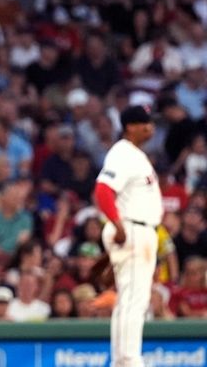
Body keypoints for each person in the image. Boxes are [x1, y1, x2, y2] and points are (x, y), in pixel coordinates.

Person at [94, 105, 163, 367]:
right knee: (133, 300)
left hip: (140, 231)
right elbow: (103, 189)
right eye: (145, 123)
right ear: (130, 126)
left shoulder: (135, 155)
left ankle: (123, 360)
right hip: (132, 229)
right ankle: (128, 360)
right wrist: (118, 225)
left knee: (130, 299)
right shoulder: (123, 152)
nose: (150, 127)